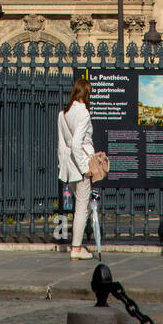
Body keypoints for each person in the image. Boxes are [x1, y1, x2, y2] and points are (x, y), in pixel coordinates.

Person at [58, 76, 95, 260]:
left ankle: (77, 245)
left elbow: (62, 145)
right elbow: (76, 143)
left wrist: (62, 167)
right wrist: (84, 168)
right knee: (82, 207)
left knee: (80, 205)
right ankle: (77, 248)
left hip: (69, 166)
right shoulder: (84, 113)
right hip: (81, 165)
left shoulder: (63, 114)